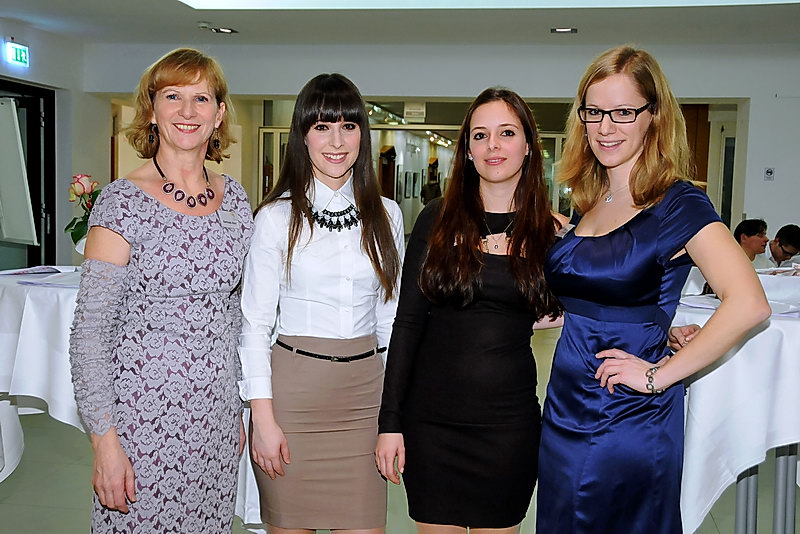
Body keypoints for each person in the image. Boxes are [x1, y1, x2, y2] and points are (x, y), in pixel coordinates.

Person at [536, 45, 771, 534]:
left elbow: (749, 303)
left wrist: (656, 376)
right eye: (595, 112)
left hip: (628, 411)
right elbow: (610, 294)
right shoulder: (591, 199)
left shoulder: (678, 202)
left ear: (654, 116)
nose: (606, 127)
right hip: (564, 401)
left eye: (624, 112)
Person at [68, 48, 253, 533]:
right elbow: (90, 333)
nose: (187, 111)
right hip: (142, 422)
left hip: (214, 419)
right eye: (173, 96)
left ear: (219, 114)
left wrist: (237, 408)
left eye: (201, 98)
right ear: (151, 110)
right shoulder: (121, 202)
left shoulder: (235, 200)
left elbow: (233, 315)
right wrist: (104, 442)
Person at [376, 88, 562, 533]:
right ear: (468, 149)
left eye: (506, 133)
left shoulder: (549, 232)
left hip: (507, 429)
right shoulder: (437, 219)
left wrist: (667, 327)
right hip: (431, 424)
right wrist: (390, 422)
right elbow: (408, 323)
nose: (493, 145)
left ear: (528, 145)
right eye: (480, 135)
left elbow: (595, 301)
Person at [239, 73, 404, 533]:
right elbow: (254, 325)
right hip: (293, 401)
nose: (336, 141)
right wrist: (262, 419)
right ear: (303, 135)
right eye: (322, 126)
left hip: (365, 402)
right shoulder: (276, 218)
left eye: (348, 126)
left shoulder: (387, 215)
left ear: (362, 135)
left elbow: (391, 320)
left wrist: (395, 415)